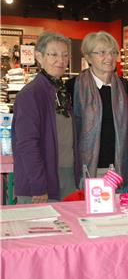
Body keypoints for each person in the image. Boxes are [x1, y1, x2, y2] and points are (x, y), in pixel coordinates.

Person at [12, 32, 77, 203]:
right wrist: (38, 185)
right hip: (41, 185)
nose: (61, 60)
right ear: (39, 57)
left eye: (65, 55)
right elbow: (27, 144)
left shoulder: (62, 91)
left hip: (66, 178)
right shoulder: (30, 94)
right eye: (53, 54)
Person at [68, 31, 128, 192]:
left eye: (113, 52)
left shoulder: (123, 86)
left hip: (116, 168)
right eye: (102, 52)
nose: (109, 58)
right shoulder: (73, 86)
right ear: (88, 57)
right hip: (86, 168)